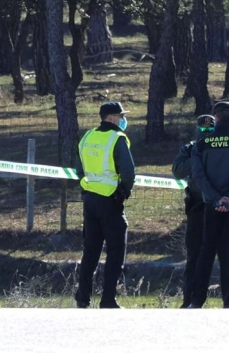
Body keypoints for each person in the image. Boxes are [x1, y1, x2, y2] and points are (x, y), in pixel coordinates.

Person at [189, 101, 229, 308]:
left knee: (206, 251)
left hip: (211, 206)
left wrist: (216, 198)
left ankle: (196, 300)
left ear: (215, 118)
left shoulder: (202, 144)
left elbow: (198, 176)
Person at [74, 101, 136, 309]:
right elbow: (128, 172)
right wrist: (123, 193)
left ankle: (83, 298)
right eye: (120, 116)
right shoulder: (117, 138)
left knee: (90, 251)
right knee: (116, 250)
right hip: (110, 200)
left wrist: (85, 187)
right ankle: (108, 299)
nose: (123, 120)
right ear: (111, 118)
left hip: (90, 200)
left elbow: (78, 168)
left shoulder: (87, 137)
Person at [172, 114, 216, 308]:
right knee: (194, 257)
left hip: (218, 206)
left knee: (226, 255)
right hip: (197, 206)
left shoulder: (221, 147)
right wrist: (198, 155)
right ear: (197, 130)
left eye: (210, 130)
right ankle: (189, 299)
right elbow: (177, 170)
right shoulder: (190, 148)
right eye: (203, 130)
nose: (206, 133)